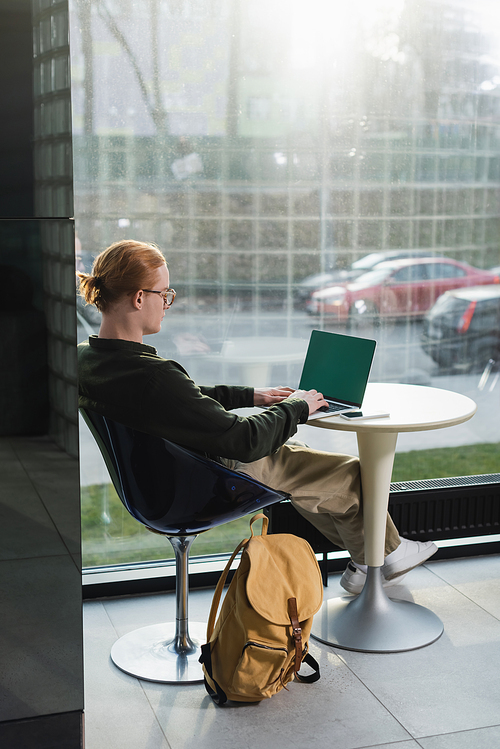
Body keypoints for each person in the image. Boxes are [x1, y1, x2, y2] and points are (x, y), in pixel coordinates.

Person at [77, 240, 437, 594]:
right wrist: (298, 406)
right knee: (350, 472)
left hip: (151, 489)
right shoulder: (153, 375)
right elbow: (245, 441)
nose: (168, 304)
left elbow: (177, 400)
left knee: (303, 458)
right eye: (165, 294)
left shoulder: (89, 361)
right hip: (207, 480)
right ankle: (385, 555)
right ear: (140, 298)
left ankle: (363, 562)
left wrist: (251, 395)